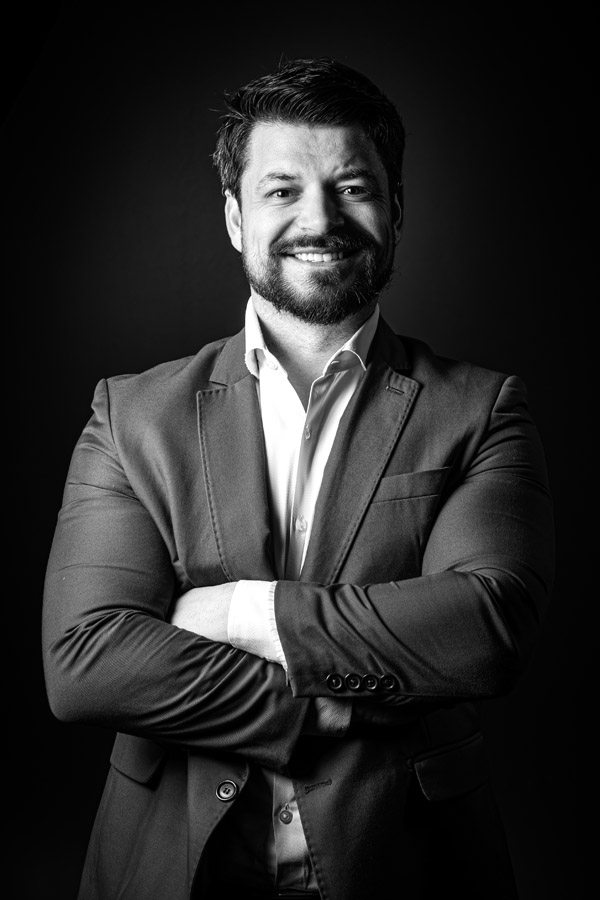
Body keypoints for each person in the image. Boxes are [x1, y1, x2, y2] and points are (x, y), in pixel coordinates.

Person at [42, 57, 554, 900]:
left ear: (395, 211)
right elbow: (85, 660)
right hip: (171, 867)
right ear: (235, 217)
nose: (319, 217)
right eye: (282, 190)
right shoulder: (130, 414)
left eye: (352, 186)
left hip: (409, 864)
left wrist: (242, 613)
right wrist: (309, 708)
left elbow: (489, 626)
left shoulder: (484, 408)